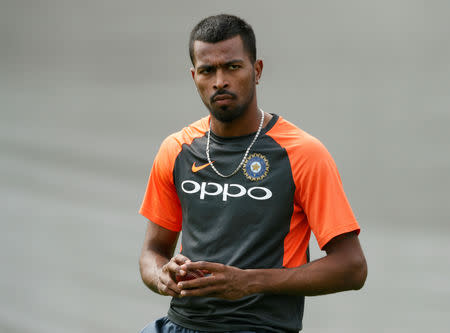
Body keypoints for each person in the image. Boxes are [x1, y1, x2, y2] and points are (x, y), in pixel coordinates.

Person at [138, 14, 367, 333]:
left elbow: (352, 268)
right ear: (194, 77)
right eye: (207, 70)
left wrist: (249, 282)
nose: (219, 81)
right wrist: (162, 275)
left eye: (232, 67)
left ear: (256, 71)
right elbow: (152, 253)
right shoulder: (176, 149)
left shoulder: (302, 153)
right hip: (181, 324)